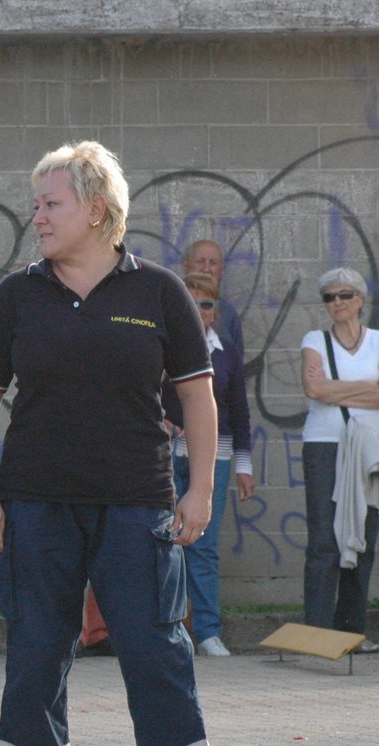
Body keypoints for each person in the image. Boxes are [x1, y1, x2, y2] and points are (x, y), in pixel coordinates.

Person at [0, 139, 220, 746]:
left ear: (97, 210)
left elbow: (198, 400)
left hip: (137, 503)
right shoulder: (17, 294)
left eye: (52, 203)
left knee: (155, 649)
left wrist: (199, 489)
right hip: (36, 505)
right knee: (39, 649)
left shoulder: (158, 292)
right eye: (36, 204)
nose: (37, 217)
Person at [300, 267, 379, 652]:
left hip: (370, 448)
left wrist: (334, 390)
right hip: (325, 444)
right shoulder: (315, 339)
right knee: (325, 540)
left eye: (344, 295)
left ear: (360, 299)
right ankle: (318, 633)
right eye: (329, 297)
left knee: (364, 539)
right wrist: (366, 387)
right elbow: (312, 388)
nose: (337, 302)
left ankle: (350, 632)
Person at [163, 270, 254, 656]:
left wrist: (244, 466)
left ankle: (207, 631)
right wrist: (160, 419)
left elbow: (239, 411)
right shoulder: (162, 344)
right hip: (165, 455)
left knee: (203, 545)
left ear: (215, 311)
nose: (199, 309)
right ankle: (167, 629)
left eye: (206, 303)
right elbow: (138, 392)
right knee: (164, 543)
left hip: (213, 457)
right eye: (192, 301)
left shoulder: (227, 351)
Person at [182, 239, 245, 358]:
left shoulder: (229, 315)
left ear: (221, 270)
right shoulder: (168, 308)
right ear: (185, 266)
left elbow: (237, 366)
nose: (206, 269)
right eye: (200, 261)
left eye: (213, 263)